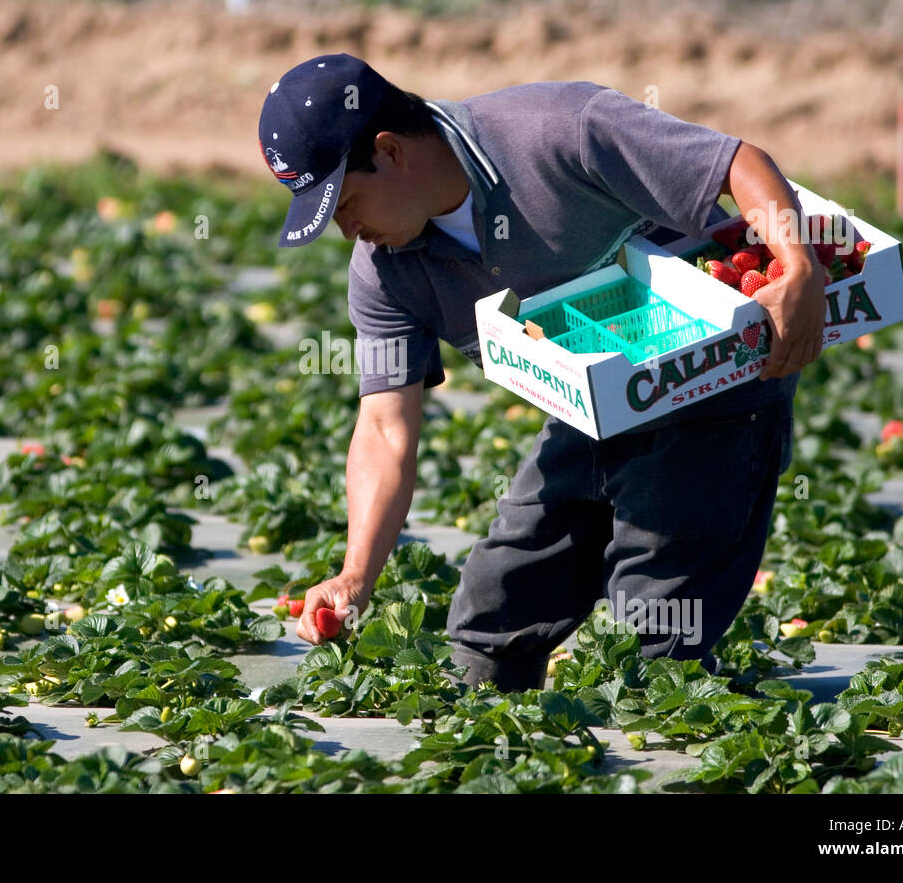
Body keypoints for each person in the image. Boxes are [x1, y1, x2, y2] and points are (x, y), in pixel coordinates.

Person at [257, 52, 825, 691]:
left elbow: (738, 163)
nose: (346, 230)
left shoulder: (557, 131)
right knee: (491, 619)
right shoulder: (383, 271)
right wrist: (356, 574)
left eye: (346, 202)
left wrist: (798, 267)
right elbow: (385, 427)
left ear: (389, 151)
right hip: (589, 413)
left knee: (654, 646)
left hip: (713, 397)